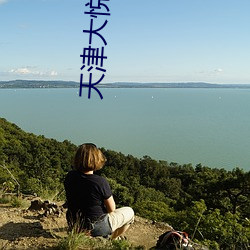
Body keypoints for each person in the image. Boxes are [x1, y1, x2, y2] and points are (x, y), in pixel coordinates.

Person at [64, 143, 134, 239]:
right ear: (97, 160)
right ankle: (112, 239)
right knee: (130, 212)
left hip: (74, 225)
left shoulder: (70, 176)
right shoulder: (100, 182)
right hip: (95, 227)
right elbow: (112, 209)